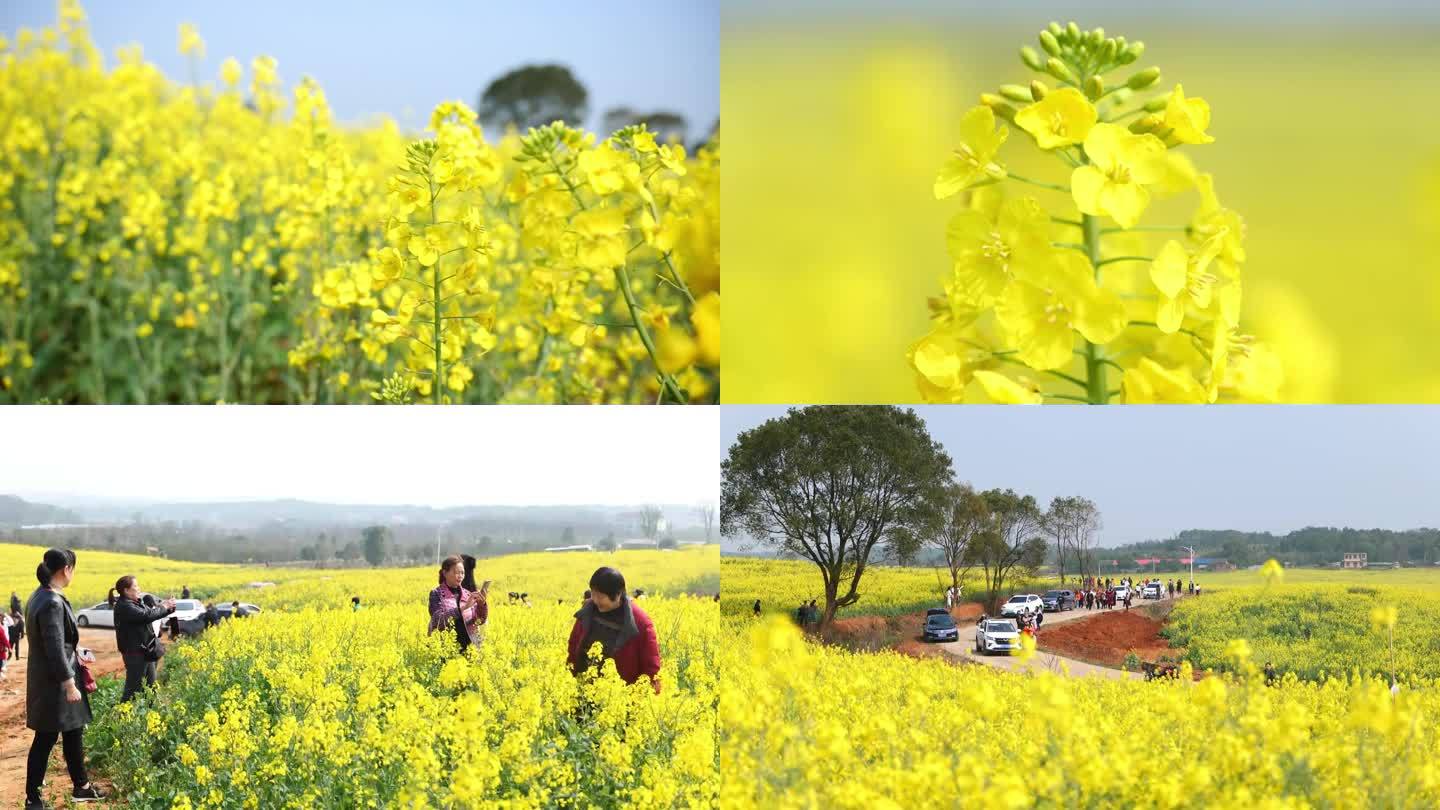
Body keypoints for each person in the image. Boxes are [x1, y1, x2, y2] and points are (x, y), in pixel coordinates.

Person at [25, 548, 105, 808]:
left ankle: (81, 786)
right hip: (55, 684)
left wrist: (77, 651)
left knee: (73, 731)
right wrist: (69, 684)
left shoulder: (40, 596)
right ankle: (33, 799)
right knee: (45, 739)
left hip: (51, 678)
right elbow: (54, 649)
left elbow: (57, 641)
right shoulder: (51, 602)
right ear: (66, 569)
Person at [567, 567, 662, 693]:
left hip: (620, 698)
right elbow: (574, 645)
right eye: (593, 594)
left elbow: (651, 666)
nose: (594, 600)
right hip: (583, 692)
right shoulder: (587, 612)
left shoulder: (640, 623)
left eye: (600, 597)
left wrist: (647, 698)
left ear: (618, 595)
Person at [110, 575, 176, 702]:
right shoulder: (124, 606)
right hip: (135, 654)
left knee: (151, 687)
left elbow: (152, 614)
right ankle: (121, 718)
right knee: (132, 690)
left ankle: (150, 716)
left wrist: (169, 607)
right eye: (135, 586)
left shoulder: (136, 602)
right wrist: (163, 606)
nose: (139, 589)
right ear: (126, 590)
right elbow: (147, 616)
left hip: (146, 651)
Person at [428, 555, 488, 653]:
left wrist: (482, 605)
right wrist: (463, 608)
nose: (460, 576)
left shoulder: (468, 594)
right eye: (456, 572)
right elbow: (437, 620)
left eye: (462, 573)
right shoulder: (436, 594)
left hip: (470, 649)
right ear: (445, 573)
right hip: (446, 649)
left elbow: (479, 621)